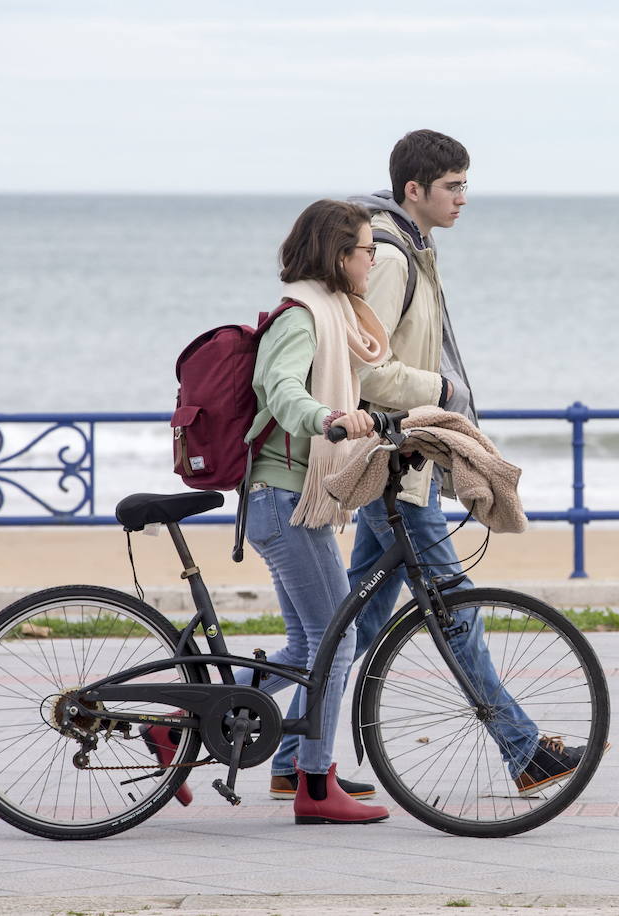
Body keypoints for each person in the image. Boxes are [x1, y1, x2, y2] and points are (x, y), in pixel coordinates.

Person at [265, 130, 590, 801]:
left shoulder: (409, 246)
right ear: (414, 189)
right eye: (453, 186)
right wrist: (440, 392)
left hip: (396, 462)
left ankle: (294, 757)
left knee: (360, 621)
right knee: (453, 607)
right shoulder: (387, 255)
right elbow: (365, 368)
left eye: (466, 184)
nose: (464, 198)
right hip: (395, 466)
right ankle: (522, 748)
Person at [223, 198, 392, 824]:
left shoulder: (333, 316)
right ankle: (316, 785)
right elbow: (282, 388)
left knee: (306, 641)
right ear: (339, 254)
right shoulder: (301, 317)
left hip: (292, 498)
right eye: (368, 250)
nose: (373, 260)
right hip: (284, 497)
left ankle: (184, 726)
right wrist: (327, 420)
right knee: (336, 637)